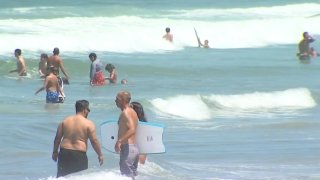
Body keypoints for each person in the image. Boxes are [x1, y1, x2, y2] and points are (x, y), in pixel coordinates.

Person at [52, 100, 103, 177]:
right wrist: (100, 155)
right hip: (78, 155)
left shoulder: (65, 121)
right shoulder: (89, 124)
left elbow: (57, 138)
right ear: (84, 109)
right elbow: (94, 141)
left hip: (64, 153)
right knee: (79, 177)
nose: (88, 112)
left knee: (62, 177)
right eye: (88, 110)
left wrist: (55, 152)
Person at [114, 91, 139, 179]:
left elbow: (132, 129)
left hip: (128, 148)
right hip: (134, 148)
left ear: (123, 100)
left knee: (126, 176)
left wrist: (119, 141)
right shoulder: (133, 112)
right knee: (132, 176)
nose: (115, 101)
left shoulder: (126, 113)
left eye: (117, 99)